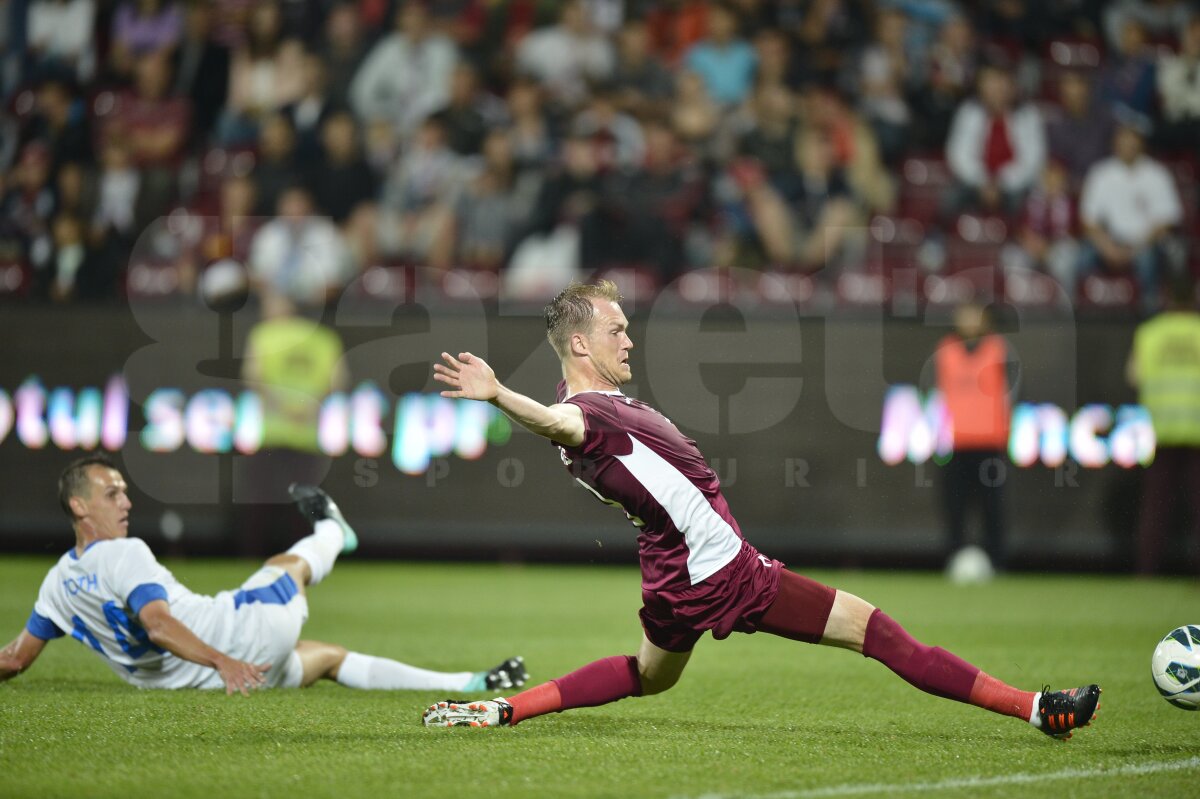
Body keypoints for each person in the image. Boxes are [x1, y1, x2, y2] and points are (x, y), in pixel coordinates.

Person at [423, 280, 1100, 737]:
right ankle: (1037, 708)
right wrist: (498, 396)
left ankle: (506, 708)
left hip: (671, 573)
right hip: (721, 569)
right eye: (616, 330)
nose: (629, 339)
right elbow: (557, 424)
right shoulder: (582, 411)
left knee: (647, 677)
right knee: (879, 631)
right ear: (580, 344)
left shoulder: (599, 405)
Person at [0, 456, 527, 695]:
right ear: (78, 505)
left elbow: (15, 659)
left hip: (199, 685)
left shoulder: (55, 586)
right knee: (288, 566)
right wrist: (224, 659)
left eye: (123, 489)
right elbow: (157, 623)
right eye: (111, 492)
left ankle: (468, 683)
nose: (126, 500)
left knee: (327, 658)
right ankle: (334, 532)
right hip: (236, 642)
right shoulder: (123, 553)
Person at [1126, 278, 1200, 574]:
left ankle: (1147, 570)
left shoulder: (1149, 333)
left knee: (1156, 507)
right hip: (1197, 431)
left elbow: (1133, 375)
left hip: (1161, 430)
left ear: (1166, 297)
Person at [934, 301, 1014, 575]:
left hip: (989, 443)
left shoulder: (998, 349)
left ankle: (997, 562)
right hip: (955, 442)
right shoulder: (946, 350)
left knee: (992, 507)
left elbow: (1012, 393)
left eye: (974, 313)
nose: (968, 319)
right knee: (954, 508)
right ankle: (955, 559)